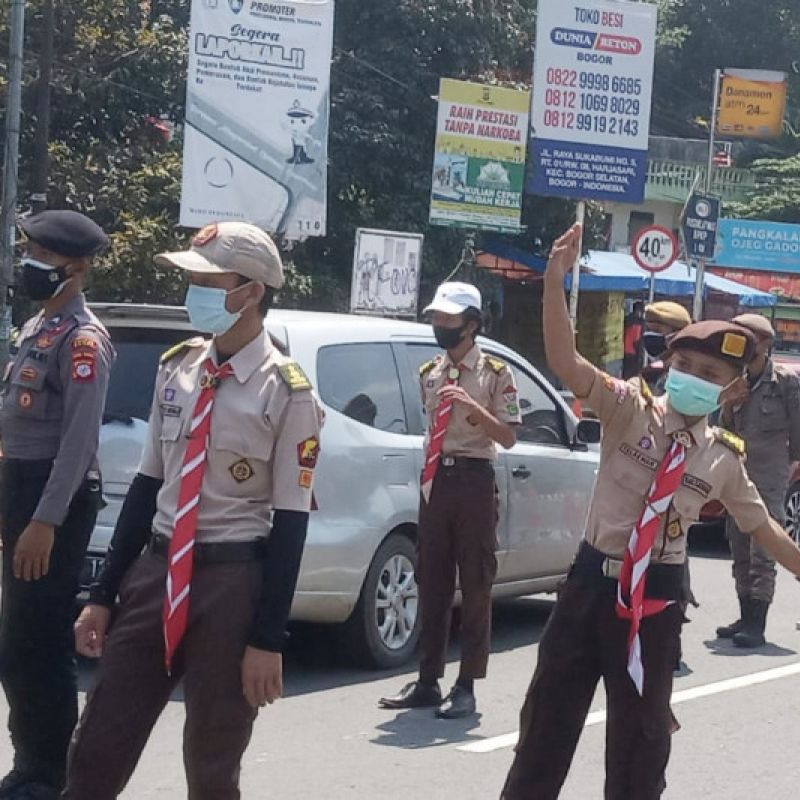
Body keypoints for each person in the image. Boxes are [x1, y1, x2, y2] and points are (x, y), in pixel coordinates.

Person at [500, 224, 800, 800]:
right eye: (688, 367)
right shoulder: (627, 410)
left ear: (731, 390)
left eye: (712, 376)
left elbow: (760, 524)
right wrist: (552, 282)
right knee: (545, 728)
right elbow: (565, 362)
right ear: (669, 365)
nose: (697, 380)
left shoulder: (721, 457)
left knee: (641, 747)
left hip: (657, 598)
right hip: (593, 584)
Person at [63, 221, 323, 799]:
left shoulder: (288, 392)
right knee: (98, 743)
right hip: (157, 573)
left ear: (251, 291)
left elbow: (292, 523)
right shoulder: (176, 367)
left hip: (231, 582)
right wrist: (103, 596)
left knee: (213, 757)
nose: (194, 291)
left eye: (208, 280)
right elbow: (146, 486)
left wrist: (268, 638)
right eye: (191, 278)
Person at [0, 210, 113, 800]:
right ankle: (30, 762)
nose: (31, 265)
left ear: (76, 268)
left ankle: (52, 775)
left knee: (40, 641)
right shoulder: (34, 328)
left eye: (42, 256)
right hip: (21, 490)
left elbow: (78, 442)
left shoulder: (83, 339)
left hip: (54, 500)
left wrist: (45, 521)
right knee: (16, 640)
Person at [378, 282, 521, 720]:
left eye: (448, 319)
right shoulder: (430, 372)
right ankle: (427, 679)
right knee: (431, 578)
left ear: (472, 324)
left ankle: (467, 684)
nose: (439, 325)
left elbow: (511, 436)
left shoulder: (496, 373)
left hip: (475, 479)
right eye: (436, 318)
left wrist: (476, 411)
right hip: (436, 478)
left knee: (475, 580)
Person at [714, 314, 800, 649]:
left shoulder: (784, 381)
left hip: (769, 473)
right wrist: (730, 402)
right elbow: (722, 425)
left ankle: (757, 622)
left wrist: (789, 465)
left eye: (749, 337)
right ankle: (744, 613)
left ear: (765, 344)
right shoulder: (734, 377)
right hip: (736, 471)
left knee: (764, 547)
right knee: (738, 542)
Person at [639, 301, 692, 394]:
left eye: (657, 330)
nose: (650, 335)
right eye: (648, 329)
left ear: (677, 334)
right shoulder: (651, 372)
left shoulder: (683, 373)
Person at [623, 301, 645, 379]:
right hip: (633, 353)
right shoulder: (639, 322)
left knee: (624, 374)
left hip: (624, 351)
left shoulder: (626, 319)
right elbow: (636, 340)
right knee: (632, 376)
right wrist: (640, 355)